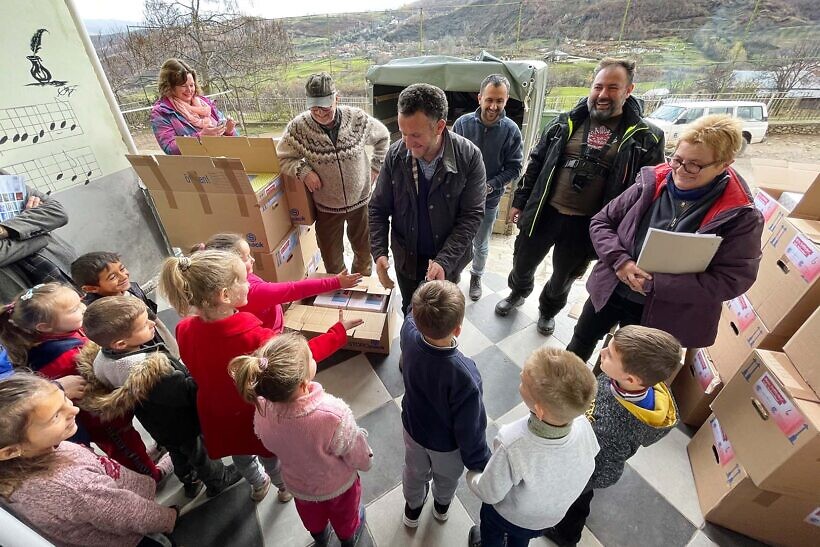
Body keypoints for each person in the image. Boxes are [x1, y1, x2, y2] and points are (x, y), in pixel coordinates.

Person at [159, 250, 361, 503]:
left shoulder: (183, 329)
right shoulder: (254, 336)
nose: (249, 284)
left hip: (217, 415)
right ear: (224, 295)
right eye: (243, 280)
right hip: (252, 413)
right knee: (269, 457)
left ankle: (257, 484)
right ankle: (283, 486)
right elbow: (297, 361)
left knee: (240, 456)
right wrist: (338, 332)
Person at [566, 115, 764, 362]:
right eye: (677, 159)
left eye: (694, 165)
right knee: (581, 341)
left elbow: (732, 279)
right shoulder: (652, 181)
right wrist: (621, 261)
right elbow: (601, 222)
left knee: (627, 368)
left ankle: (606, 399)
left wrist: (656, 284)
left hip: (662, 313)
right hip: (612, 288)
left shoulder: (740, 215)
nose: (681, 170)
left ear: (724, 164)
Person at [494, 59, 665, 337]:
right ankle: (518, 292)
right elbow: (536, 162)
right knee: (522, 262)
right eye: (598, 86)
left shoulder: (646, 138)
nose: (603, 94)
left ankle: (548, 310)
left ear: (629, 89)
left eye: (613, 87)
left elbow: (647, 193)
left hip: (588, 226)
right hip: (544, 212)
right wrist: (520, 201)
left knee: (564, 276)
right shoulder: (564, 122)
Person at [78, 296, 242, 499]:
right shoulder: (149, 372)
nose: (152, 323)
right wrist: (204, 372)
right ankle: (218, 479)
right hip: (181, 422)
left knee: (177, 452)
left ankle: (189, 481)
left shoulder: (103, 358)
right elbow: (186, 392)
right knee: (199, 452)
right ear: (120, 343)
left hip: (154, 421)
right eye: (143, 325)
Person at [0, 283, 168, 482]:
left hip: (100, 413)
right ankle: (150, 477)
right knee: (125, 447)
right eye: (74, 309)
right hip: (101, 418)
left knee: (129, 444)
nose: (84, 308)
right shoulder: (62, 358)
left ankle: (141, 462)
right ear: (44, 327)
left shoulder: (59, 334)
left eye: (80, 302)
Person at [0, 373, 177, 547]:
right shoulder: (74, 485)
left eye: (64, 400)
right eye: (55, 416)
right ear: (11, 451)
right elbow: (130, 513)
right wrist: (168, 518)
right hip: (131, 538)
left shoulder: (37, 452)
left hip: (119, 498)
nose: (74, 409)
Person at [544, 326, 680, 546]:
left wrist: (579, 482)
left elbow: (607, 471)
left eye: (609, 355)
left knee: (576, 503)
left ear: (632, 379)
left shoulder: (615, 429)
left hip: (585, 471)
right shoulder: (632, 383)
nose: (602, 351)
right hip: (587, 444)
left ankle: (566, 536)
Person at [232, 332, 372, 547]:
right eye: (311, 358)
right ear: (304, 381)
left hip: (299, 486)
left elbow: (266, 441)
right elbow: (354, 450)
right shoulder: (332, 413)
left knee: (312, 520)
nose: (314, 360)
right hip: (338, 486)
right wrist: (366, 462)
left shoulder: (262, 409)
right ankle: (347, 539)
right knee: (346, 517)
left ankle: (320, 539)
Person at [369, 84, 487, 314]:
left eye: (415, 135)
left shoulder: (469, 157)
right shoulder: (395, 155)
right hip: (407, 258)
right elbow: (377, 208)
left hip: (448, 261)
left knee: (439, 316)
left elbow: (471, 217)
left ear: (440, 126)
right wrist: (380, 252)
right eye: (402, 133)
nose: (406, 143)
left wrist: (444, 260)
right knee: (409, 309)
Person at [466, 346, 598, 547]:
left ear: (539, 410)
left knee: (491, 531)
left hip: (507, 515)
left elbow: (489, 492)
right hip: (546, 519)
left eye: (524, 382)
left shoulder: (512, 441)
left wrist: (473, 477)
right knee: (520, 539)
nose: (520, 374)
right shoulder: (584, 425)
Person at [276, 73, 390, 276]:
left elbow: (383, 137)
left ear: (336, 98)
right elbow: (282, 157)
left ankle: (360, 289)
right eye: (314, 108)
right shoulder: (299, 128)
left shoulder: (357, 119)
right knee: (332, 259)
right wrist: (303, 171)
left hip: (361, 203)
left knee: (365, 253)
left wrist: (375, 167)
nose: (320, 114)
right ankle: (340, 293)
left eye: (325, 107)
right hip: (326, 207)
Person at [399, 281, 491, 528]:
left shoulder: (408, 332)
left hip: (413, 429)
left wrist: (426, 285)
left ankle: (412, 509)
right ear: (458, 330)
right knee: (447, 477)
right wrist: (480, 462)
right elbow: (470, 428)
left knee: (413, 472)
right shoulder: (465, 374)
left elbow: (410, 312)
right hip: (446, 446)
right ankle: (441, 506)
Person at [195, 232, 361, 332]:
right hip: (270, 337)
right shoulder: (252, 291)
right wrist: (336, 282)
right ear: (230, 264)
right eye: (246, 258)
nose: (253, 260)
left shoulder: (236, 282)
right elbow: (294, 289)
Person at [453, 74, 524, 301]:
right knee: (456, 238)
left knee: (481, 243)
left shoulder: (511, 130)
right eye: (490, 99)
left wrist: (490, 186)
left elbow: (514, 168)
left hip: (489, 201)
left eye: (500, 101)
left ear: (506, 101)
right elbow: (450, 158)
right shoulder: (462, 124)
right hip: (460, 200)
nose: (494, 106)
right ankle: (453, 274)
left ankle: (476, 275)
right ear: (480, 97)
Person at [71, 251, 179, 357]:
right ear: (91, 288)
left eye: (122, 269)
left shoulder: (133, 288)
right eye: (113, 277)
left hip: (157, 335)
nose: (123, 276)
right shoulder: (99, 314)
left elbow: (152, 315)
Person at [0, 169, 76, 303]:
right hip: (18, 291)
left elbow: (57, 212)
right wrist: (34, 230)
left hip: (60, 266)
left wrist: (6, 229)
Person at [150, 58, 238, 155]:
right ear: (170, 87)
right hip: (194, 167)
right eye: (183, 86)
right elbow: (170, 148)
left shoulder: (205, 103)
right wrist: (201, 137)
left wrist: (229, 131)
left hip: (222, 159)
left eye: (191, 85)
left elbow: (232, 139)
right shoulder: (162, 112)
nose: (189, 90)